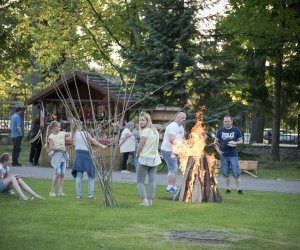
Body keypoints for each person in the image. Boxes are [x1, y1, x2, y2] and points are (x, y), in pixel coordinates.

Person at [70, 119, 106, 199]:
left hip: (79, 155)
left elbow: (80, 144)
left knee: (79, 176)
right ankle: (90, 195)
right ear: (80, 125)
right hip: (86, 155)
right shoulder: (85, 133)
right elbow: (93, 141)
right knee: (91, 175)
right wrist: (102, 146)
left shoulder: (72, 134)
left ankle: (78, 195)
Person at [213, 115, 244, 194]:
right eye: (225, 121)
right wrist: (218, 151)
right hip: (223, 155)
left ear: (231, 122)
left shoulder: (236, 130)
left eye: (228, 121)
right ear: (223, 122)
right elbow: (215, 143)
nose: (226, 123)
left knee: (236, 172)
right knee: (225, 173)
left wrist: (235, 143)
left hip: (233, 155)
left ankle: (239, 189)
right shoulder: (220, 130)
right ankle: (228, 189)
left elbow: (241, 141)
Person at [136, 112, 161, 206]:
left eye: (143, 120)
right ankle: (150, 201)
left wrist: (137, 154)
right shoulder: (155, 131)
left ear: (148, 120)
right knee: (152, 180)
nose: (141, 122)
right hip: (155, 159)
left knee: (140, 181)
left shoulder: (145, 131)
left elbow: (140, 146)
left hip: (145, 159)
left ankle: (145, 201)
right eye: (139, 120)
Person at [161, 112, 186, 193]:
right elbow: (171, 139)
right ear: (177, 118)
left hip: (174, 151)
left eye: (185, 118)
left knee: (174, 169)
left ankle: (173, 186)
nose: (184, 120)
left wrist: (187, 143)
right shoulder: (172, 126)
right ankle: (170, 187)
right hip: (168, 150)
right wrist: (180, 144)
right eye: (182, 118)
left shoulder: (181, 127)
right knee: (173, 168)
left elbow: (183, 138)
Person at [45, 120, 70, 197]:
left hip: (63, 156)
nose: (60, 127)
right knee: (58, 173)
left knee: (62, 174)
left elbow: (70, 134)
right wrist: (60, 149)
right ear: (54, 128)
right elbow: (51, 147)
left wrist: (75, 128)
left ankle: (60, 191)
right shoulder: (51, 136)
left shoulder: (62, 133)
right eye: (58, 126)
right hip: (56, 156)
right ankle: (52, 191)